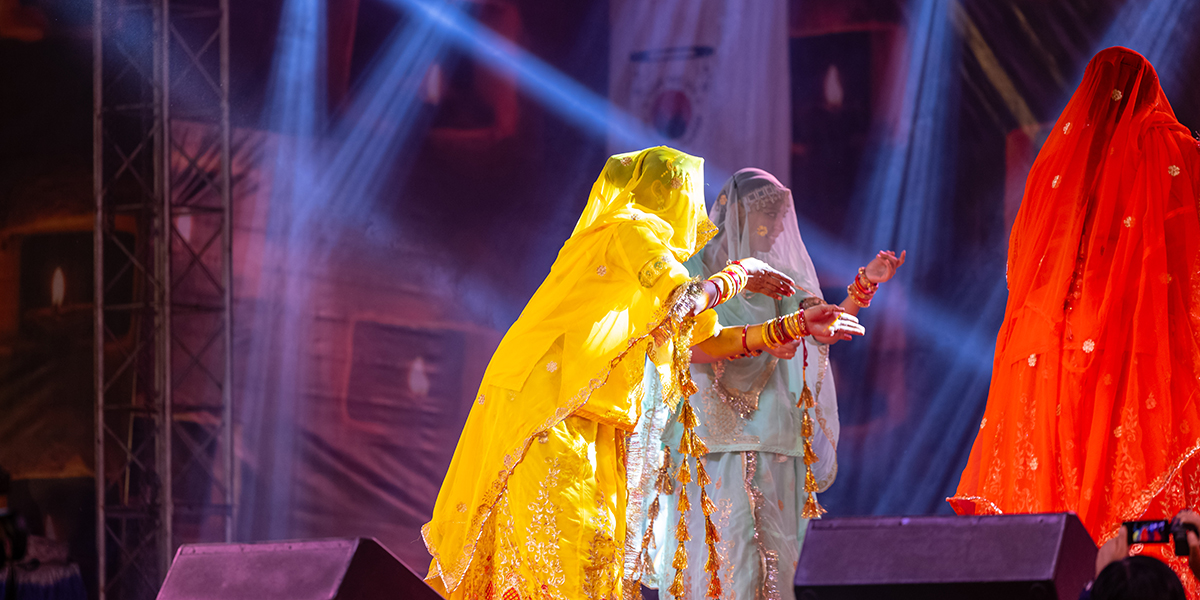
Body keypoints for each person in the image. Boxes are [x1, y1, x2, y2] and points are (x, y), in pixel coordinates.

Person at [422, 147, 864, 600]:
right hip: (550, 409)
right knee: (561, 555)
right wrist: (741, 273)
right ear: (666, 192)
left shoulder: (647, 251)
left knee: (595, 556)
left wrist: (792, 324)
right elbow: (686, 302)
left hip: (593, 414)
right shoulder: (630, 230)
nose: (696, 211)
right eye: (689, 193)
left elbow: (703, 339)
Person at [949, 47, 1200, 591]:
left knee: (1055, 488)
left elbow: (1026, 264)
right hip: (1130, 343)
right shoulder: (1165, 146)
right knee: (1125, 482)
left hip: (1047, 349)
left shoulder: (1059, 167)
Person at [638, 168, 902, 600]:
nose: (780, 226)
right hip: (711, 435)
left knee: (775, 563)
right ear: (741, 214)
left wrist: (865, 284)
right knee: (727, 558)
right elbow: (680, 343)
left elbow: (820, 322)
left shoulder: (780, 275)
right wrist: (766, 336)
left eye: (782, 216)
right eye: (771, 215)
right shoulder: (695, 272)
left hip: (774, 433)